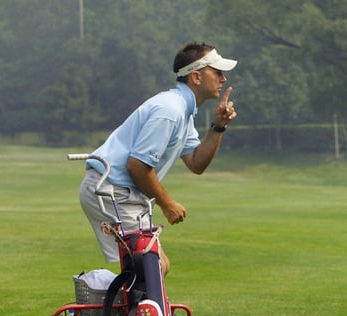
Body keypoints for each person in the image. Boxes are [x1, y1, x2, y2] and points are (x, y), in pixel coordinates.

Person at [79, 42, 238, 276]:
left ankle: (120, 312)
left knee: (155, 267)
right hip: (112, 190)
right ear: (196, 77)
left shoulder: (182, 110)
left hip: (118, 191)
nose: (223, 79)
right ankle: (113, 311)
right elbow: (138, 166)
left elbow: (196, 163)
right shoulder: (170, 111)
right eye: (217, 72)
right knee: (151, 267)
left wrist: (218, 127)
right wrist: (167, 203)